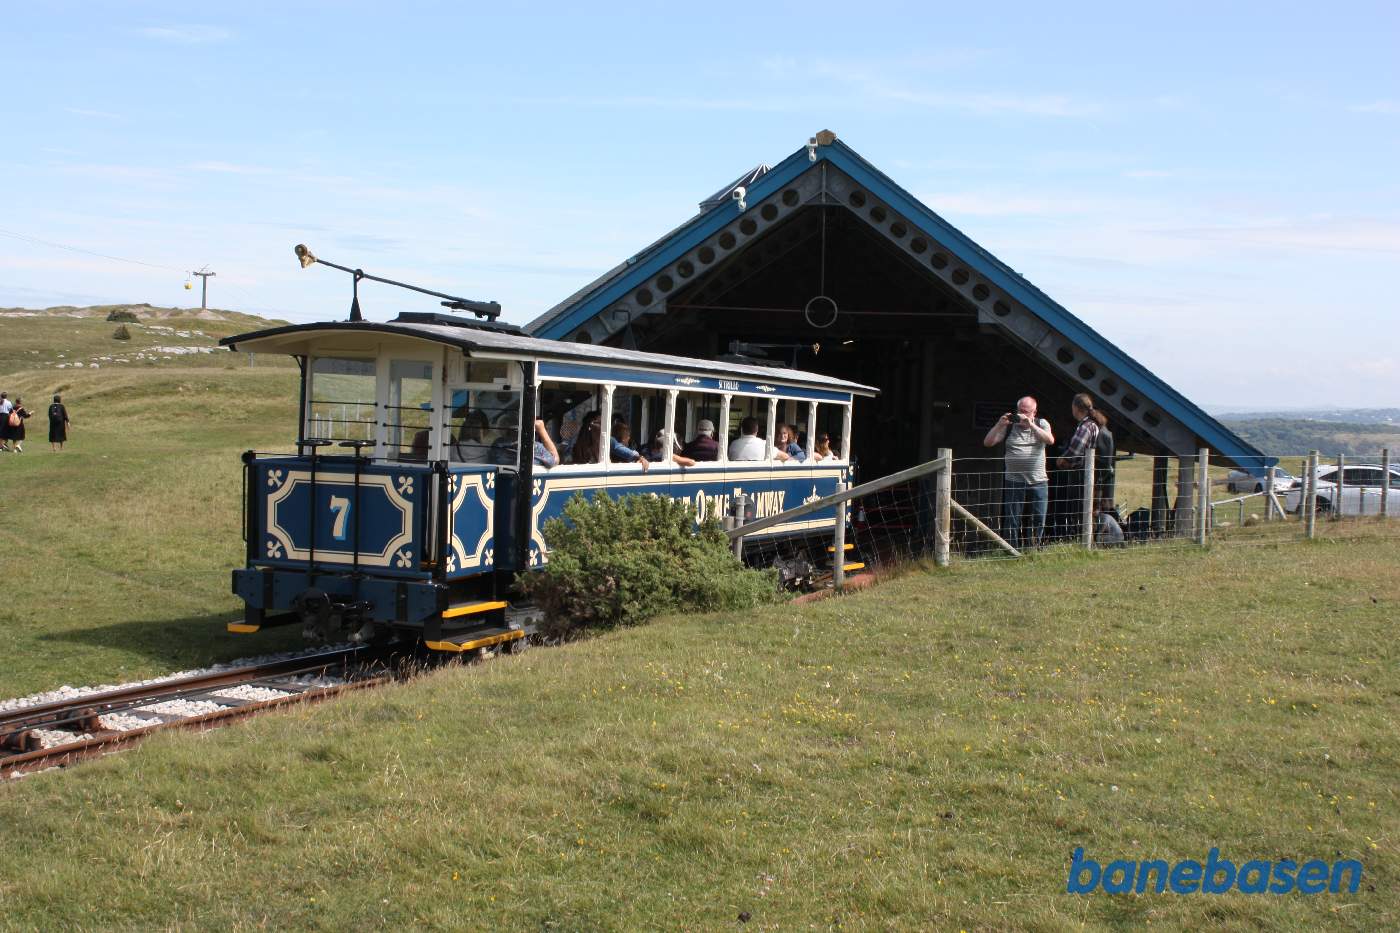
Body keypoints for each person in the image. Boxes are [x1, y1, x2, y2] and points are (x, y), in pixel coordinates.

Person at [983, 396, 1055, 550]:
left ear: (1034, 412)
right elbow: (988, 442)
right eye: (1020, 411)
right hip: (1014, 481)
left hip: (1038, 481)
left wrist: (1031, 425)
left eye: (1026, 412)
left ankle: (1032, 550)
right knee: (1012, 518)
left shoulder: (1042, 424)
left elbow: (1050, 440)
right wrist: (999, 424)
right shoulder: (1009, 426)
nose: (1022, 415)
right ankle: (1011, 551)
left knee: (1038, 518)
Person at [1054, 393, 1102, 541]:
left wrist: (1062, 460)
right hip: (1089, 473)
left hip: (1081, 475)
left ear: (1076, 408)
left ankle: (1078, 540)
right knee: (1086, 510)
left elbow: (1075, 450)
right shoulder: (1093, 424)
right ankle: (1085, 540)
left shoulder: (1086, 426)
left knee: (1078, 510)